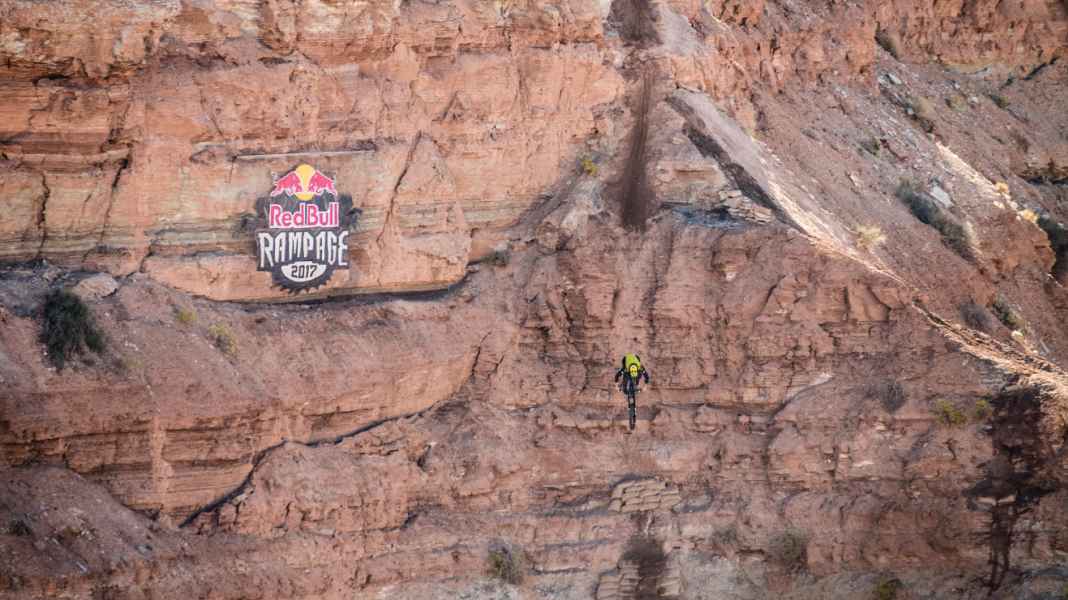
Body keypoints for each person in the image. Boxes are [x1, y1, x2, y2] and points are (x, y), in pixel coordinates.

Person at [615, 353, 650, 431]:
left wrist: (645, 387)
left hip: (635, 360)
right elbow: (617, 376)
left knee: (636, 381)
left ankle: (634, 384)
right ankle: (626, 388)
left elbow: (647, 378)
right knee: (625, 387)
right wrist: (616, 386)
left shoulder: (640, 368)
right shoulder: (625, 370)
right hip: (626, 360)